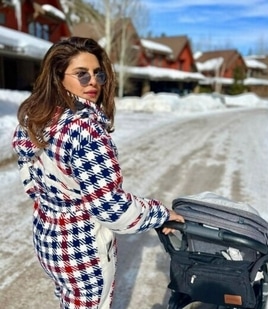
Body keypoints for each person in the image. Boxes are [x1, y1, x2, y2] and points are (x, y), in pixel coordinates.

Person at [11, 37, 184, 309]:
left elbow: (30, 179)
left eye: (98, 73)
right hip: (81, 249)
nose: (93, 81)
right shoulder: (84, 130)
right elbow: (109, 207)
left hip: (48, 240)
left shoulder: (38, 119)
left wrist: (59, 200)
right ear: (58, 77)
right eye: (81, 74)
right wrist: (159, 214)